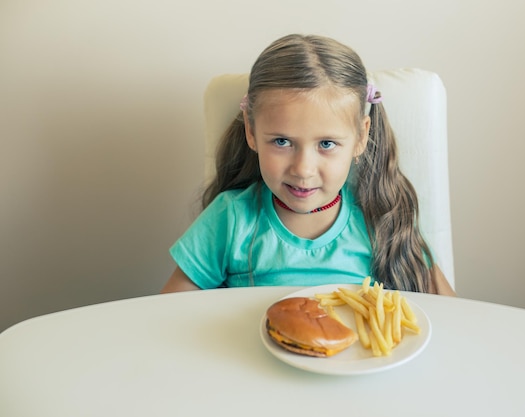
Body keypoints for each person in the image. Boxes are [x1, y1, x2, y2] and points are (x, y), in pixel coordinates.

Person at [161, 34, 455, 296]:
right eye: (281, 142)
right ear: (251, 131)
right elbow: (170, 316)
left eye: (326, 144)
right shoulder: (230, 219)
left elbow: (451, 318)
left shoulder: (383, 219)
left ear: (361, 137)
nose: (303, 169)